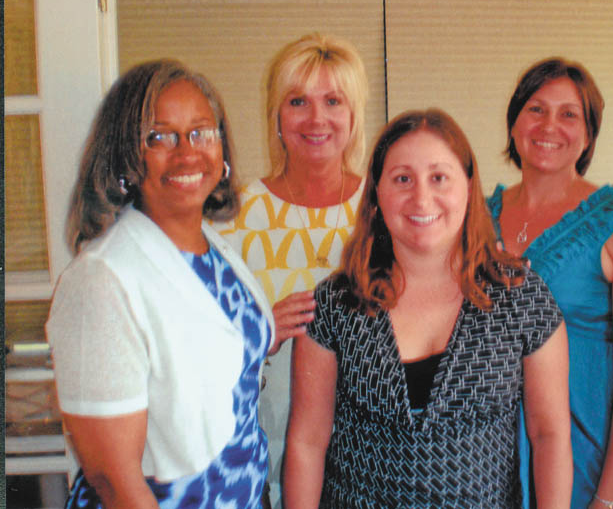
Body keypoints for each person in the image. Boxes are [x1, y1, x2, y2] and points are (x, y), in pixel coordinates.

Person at [284, 108, 572, 508]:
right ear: (376, 193)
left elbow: (550, 436)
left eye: (439, 178)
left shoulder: (521, 298)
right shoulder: (337, 304)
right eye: (402, 179)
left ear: (468, 188)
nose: (421, 197)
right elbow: (307, 442)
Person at [47, 59, 275, 507]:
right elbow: (112, 478)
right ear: (125, 156)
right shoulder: (101, 281)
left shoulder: (212, 246)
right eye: (159, 137)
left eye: (201, 132)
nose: (187, 152)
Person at [486, 57, 613, 508]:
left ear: (588, 135)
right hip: (484, 456)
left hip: (580, 456)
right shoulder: (476, 218)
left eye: (570, 114)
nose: (550, 125)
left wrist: (610, 495)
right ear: (513, 123)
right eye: (536, 109)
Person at [212, 33, 368, 506]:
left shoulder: (388, 208)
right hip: (263, 457)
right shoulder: (230, 217)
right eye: (298, 101)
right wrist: (259, 331)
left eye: (333, 101)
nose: (316, 118)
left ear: (353, 116)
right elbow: (198, 349)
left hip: (373, 458)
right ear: (277, 116)